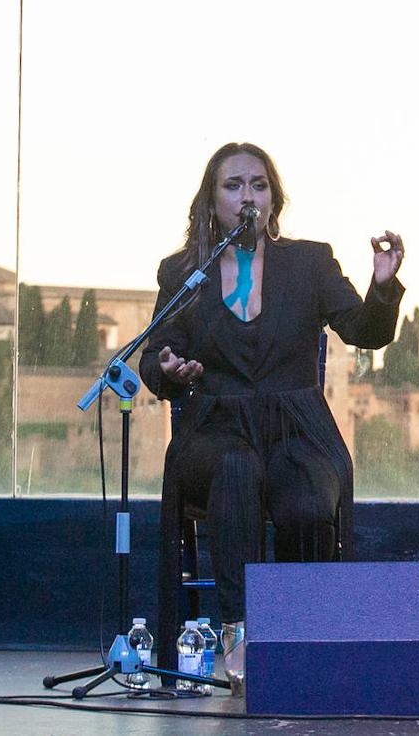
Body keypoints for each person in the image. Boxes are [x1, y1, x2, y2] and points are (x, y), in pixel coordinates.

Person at [140, 142, 405, 694]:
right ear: (211, 203)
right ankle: (240, 633)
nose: (247, 197)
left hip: (296, 425)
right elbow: (154, 356)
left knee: (309, 495)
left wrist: (382, 285)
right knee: (237, 470)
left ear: (273, 199)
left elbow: (367, 331)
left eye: (258, 185)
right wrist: (168, 368)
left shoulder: (309, 262)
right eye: (233, 186)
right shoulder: (184, 271)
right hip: (215, 429)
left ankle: (303, 634)